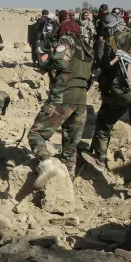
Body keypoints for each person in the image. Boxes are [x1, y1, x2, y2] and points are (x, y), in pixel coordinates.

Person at [83, 23, 131, 199]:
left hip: (128, 91)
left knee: (104, 119)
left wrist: (106, 94)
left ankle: (100, 158)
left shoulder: (114, 41)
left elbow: (107, 71)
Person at [28, 18, 93, 184]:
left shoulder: (67, 40)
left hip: (63, 96)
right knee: (70, 144)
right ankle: (67, 180)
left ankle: (46, 162)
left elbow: (60, 61)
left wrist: (46, 60)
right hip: (81, 100)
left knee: (36, 134)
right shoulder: (86, 47)